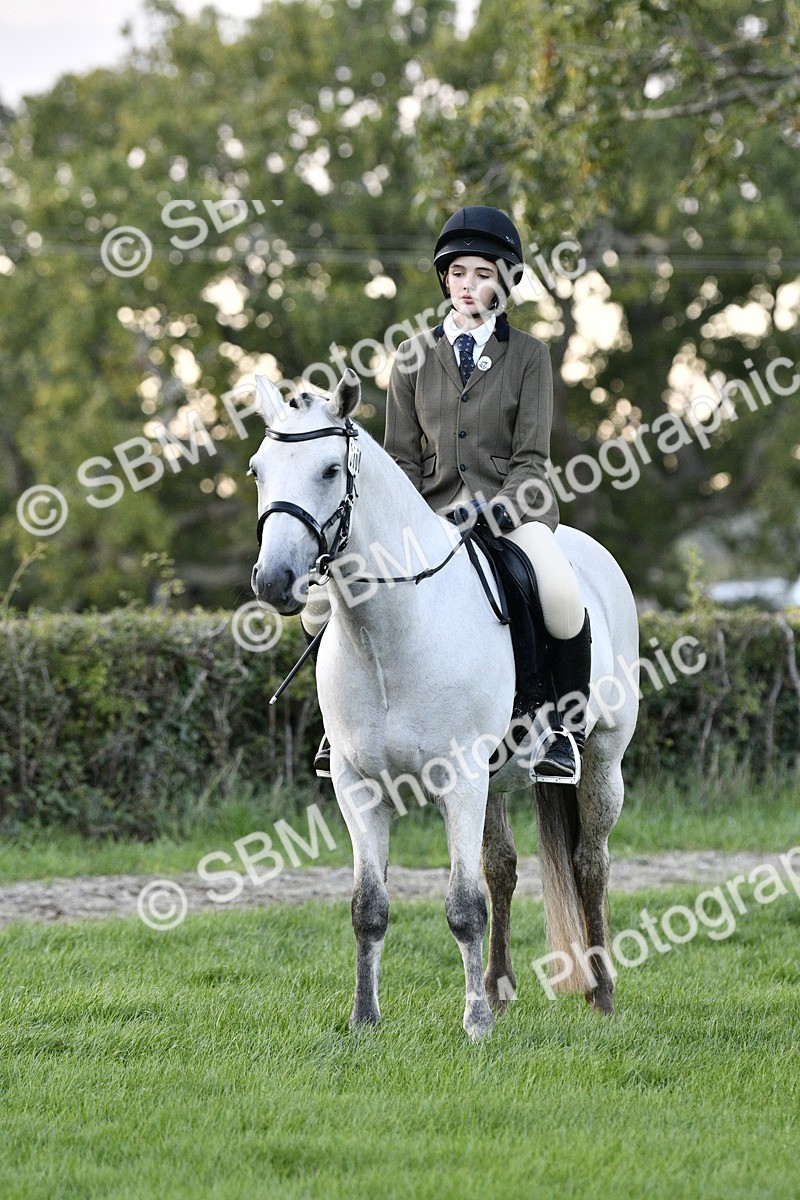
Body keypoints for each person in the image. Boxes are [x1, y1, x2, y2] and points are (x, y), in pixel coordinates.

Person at [382, 205, 591, 783]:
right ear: (444, 279)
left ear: (505, 280)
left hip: (514, 510)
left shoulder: (529, 356)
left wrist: (495, 508)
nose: (468, 285)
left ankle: (563, 733)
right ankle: (344, 730)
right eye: (457, 274)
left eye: (481, 273)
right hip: (431, 514)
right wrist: (415, 518)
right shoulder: (410, 358)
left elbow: (531, 460)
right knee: (345, 585)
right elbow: (400, 457)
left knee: (558, 588)